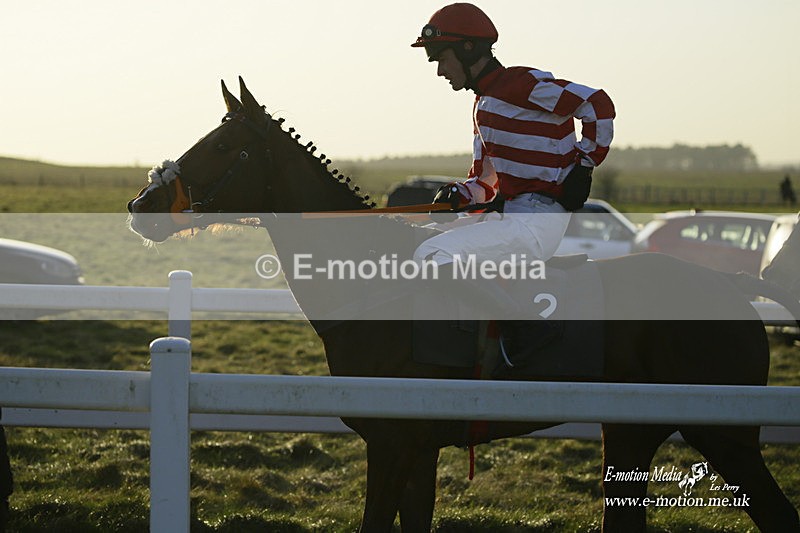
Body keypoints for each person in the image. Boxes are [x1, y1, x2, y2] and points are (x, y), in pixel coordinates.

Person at [410, 3, 615, 268]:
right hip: (509, 217)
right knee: (415, 240)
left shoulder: (521, 84)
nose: (440, 71)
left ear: (467, 48)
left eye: (442, 59)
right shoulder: (482, 105)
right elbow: (485, 183)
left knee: (431, 253)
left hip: (536, 222)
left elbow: (597, 104)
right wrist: (458, 195)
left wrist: (583, 167)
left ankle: (506, 301)